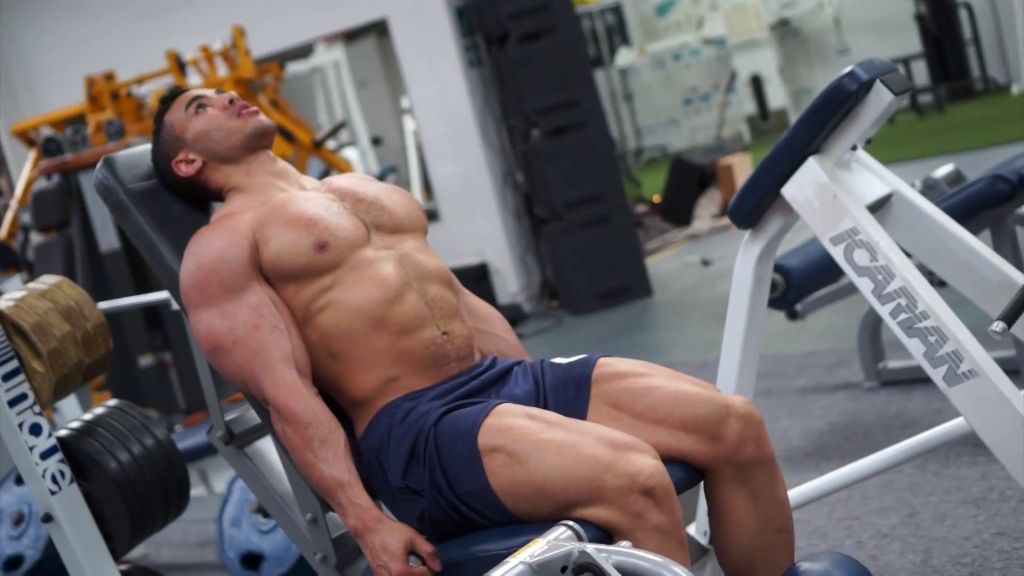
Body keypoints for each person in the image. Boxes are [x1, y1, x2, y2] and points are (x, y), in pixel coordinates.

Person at [155, 86, 794, 576]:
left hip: (502, 383)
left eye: (221, 91)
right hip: (418, 431)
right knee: (634, 479)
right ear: (187, 160)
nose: (227, 96)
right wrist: (367, 525)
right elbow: (287, 396)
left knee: (733, 424)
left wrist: (541, 420)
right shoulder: (222, 249)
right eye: (200, 106)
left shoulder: (352, 188)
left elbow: (459, 301)